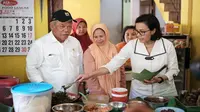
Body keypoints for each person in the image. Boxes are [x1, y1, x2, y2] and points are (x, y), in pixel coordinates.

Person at [76, 14, 179, 99]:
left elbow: (174, 69)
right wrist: (89, 75)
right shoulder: (132, 45)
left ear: (153, 30)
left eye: (142, 32)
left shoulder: (167, 45)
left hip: (164, 93)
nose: (138, 35)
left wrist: (161, 78)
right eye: (137, 31)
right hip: (140, 94)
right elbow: (113, 65)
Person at [26, 10, 83, 94]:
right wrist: (43, 87)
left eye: (69, 26)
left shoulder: (75, 42)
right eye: (62, 26)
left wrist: (81, 85)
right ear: (52, 26)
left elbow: (80, 64)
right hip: (50, 94)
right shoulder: (40, 44)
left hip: (73, 93)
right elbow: (31, 68)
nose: (66, 30)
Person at [83, 23, 126, 96]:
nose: (99, 39)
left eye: (101, 36)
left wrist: (121, 89)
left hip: (116, 89)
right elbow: (90, 77)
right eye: (95, 37)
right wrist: (100, 94)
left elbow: (121, 70)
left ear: (106, 34)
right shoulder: (89, 52)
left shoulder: (115, 49)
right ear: (92, 37)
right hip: (99, 93)